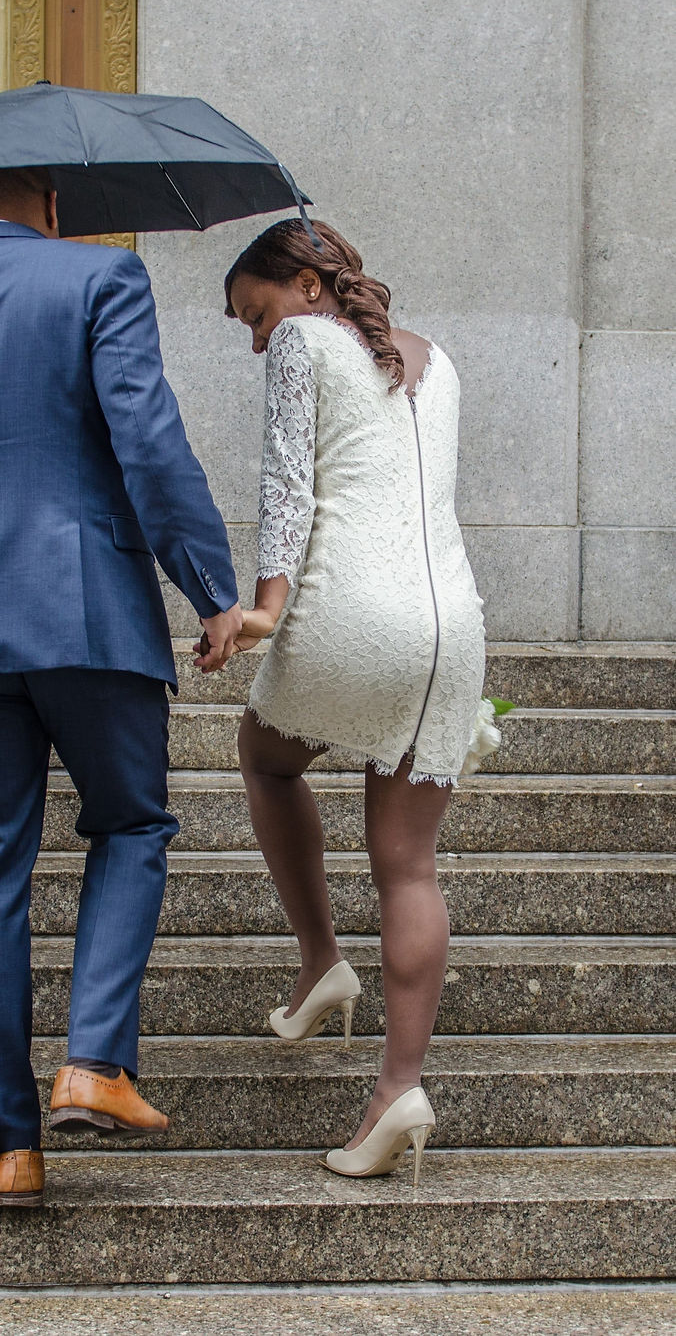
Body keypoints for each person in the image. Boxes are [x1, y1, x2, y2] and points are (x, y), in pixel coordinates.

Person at [0, 168, 242, 1205]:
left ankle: (4, 1146)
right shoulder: (100, 277)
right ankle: (95, 1060)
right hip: (83, 610)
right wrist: (208, 588)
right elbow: (149, 446)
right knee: (129, 823)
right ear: (54, 209)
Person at [222, 218, 485, 1186]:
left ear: (302, 285)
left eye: (254, 314)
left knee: (262, 755)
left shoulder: (302, 342)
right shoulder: (438, 360)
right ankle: (397, 1088)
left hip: (349, 617)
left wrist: (262, 610)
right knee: (408, 862)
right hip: (450, 629)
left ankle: (320, 957)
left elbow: (288, 486)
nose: (257, 338)